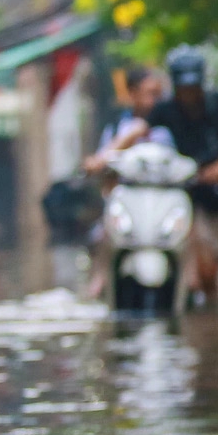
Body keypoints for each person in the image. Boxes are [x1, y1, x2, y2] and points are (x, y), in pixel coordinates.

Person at [112, 45, 218, 308]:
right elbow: (136, 132)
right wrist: (106, 154)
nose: (189, 94)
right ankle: (215, 327)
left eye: (193, 87)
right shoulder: (166, 109)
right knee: (206, 273)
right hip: (199, 201)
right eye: (184, 88)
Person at [81, 66, 172, 299]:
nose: (156, 100)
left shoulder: (170, 126)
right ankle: (100, 279)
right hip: (130, 205)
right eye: (151, 93)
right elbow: (100, 166)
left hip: (164, 206)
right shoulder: (117, 127)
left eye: (159, 94)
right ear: (132, 93)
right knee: (104, 234)